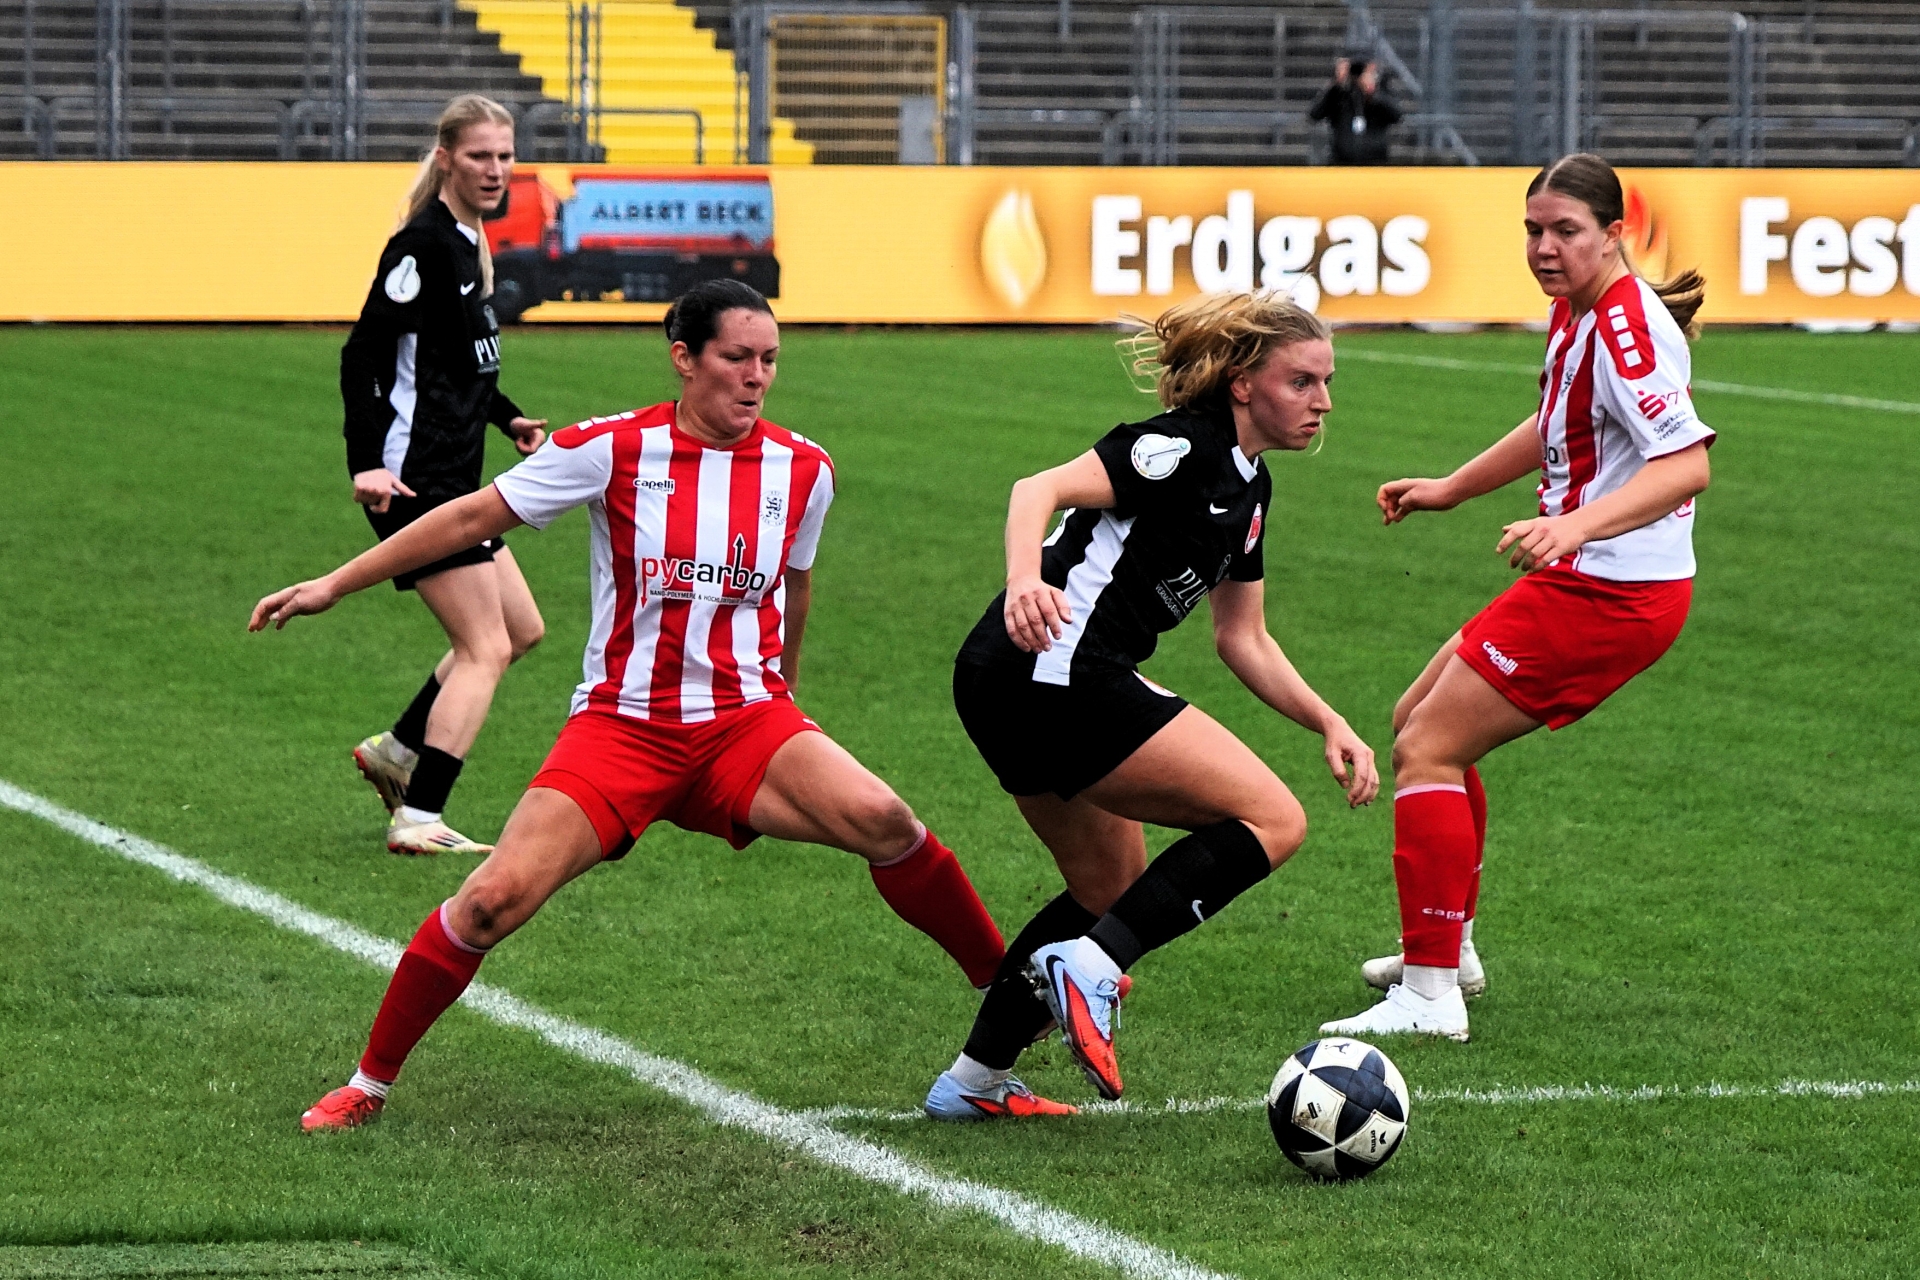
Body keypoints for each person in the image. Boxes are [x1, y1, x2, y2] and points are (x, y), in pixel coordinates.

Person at [254, 279, 1008, 1131]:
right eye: (737, 357)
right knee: (491, 900)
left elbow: (795, 586)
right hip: (623, 729)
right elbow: (467, 517)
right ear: (684, 358)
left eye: (769, 360)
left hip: (745, 722)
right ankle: (368, 1084)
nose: (756, 377)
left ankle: (1012, 997)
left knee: (886, 820)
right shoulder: (610, 448)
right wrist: (334, 583)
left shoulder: (806, 469)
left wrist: (786, 695)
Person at [923, 292, 1380, 1120]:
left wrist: (1328, 720)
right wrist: (1025, 581)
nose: (1322, 402)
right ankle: (1090, 970)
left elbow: (1243, 637)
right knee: (1274, 819)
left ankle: (974, 1080)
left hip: (1013, 676)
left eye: (1327, 383)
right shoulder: (1181, 446)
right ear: (1243, 383)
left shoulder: (1250, 487)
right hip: (1056, 668)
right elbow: (1037, 488)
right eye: (1302, 381)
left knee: (1108, 886)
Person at [1320, 153, 1713, 1043]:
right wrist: (1453, 487)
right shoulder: (1578, 310)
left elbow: (1687, 465)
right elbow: (1560, 422)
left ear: (1614, 234)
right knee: (1419, 719)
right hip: (1589, 576)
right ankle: (1448, 950)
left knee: (1427, 746)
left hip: (1614, 590)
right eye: (1533, 230)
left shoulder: (1626, 327)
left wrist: (1574, 527)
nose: (1543, 247)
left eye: (1565, 231)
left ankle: (1430, 995)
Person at [340, 94, 550, 856]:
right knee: (484, 647)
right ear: (446, 159)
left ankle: (398, 750)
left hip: (458, 479)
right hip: (414, 479)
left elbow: (460, 371)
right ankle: (418, 815)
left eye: (504, 155)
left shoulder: (468, 243)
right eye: (479, 155)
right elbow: (364, 356)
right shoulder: (423, 246)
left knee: (520, 630)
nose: (495, 169)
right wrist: (366, 463)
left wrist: (510, 419)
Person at [1307, 55, 1402, 165]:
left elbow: (1396, 116)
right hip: (1341, 160)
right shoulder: (1337, 93)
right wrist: (1335, 85)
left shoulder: (1382, 89)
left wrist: (1373, 93)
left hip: (1375, 160)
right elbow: (1314, 115)